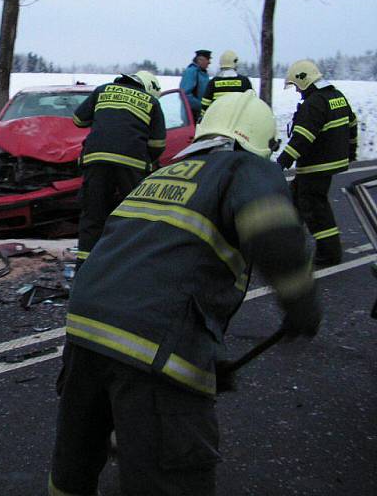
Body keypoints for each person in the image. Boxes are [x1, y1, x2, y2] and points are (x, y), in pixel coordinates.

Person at [50, 90, 321, 496]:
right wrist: (301, 300)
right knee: (171, 475)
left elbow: (149, 263)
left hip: (84, 333)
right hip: (150, 345)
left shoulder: (157, 177)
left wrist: (208, 359)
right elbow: (272, 228)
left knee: (75, 465)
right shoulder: (242, 167)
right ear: (258, 144)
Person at [71, 70, 165, 270]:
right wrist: (148, 160)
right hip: (132, 166)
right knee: (132, 217)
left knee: (93, 215)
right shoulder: (152, 102)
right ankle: (129, 269)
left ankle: (84, 271)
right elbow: (158, 144)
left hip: (96, 160)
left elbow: (78, 120)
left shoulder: (102, 90)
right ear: (149, 88)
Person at [278, 59, 358, 267]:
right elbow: (353, 123)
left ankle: (329, 254)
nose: (297, 91)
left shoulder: (314, 104)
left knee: (314, 208)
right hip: (330, 162)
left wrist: (280, 163)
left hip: (316, 165)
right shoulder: (337, 96)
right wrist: (351, 151)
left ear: (304, 80)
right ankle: (287, 245)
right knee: (294, 197)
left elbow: (302, 138)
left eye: (296, 86)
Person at [200, 49, 252, 118]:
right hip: (238, 123)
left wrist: (204, 119)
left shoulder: (213, 82)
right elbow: (251, 102)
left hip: (217, 122)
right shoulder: (244, 81)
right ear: (235, 62)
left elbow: (205, 104)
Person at [180, 49, 212, 121]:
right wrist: (202, 106)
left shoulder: (202, 73)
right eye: (208, 59)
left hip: (200, 115)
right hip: (192, 116)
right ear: (200, 60)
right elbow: (185, 95)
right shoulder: (191, 72)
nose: (209, 62)